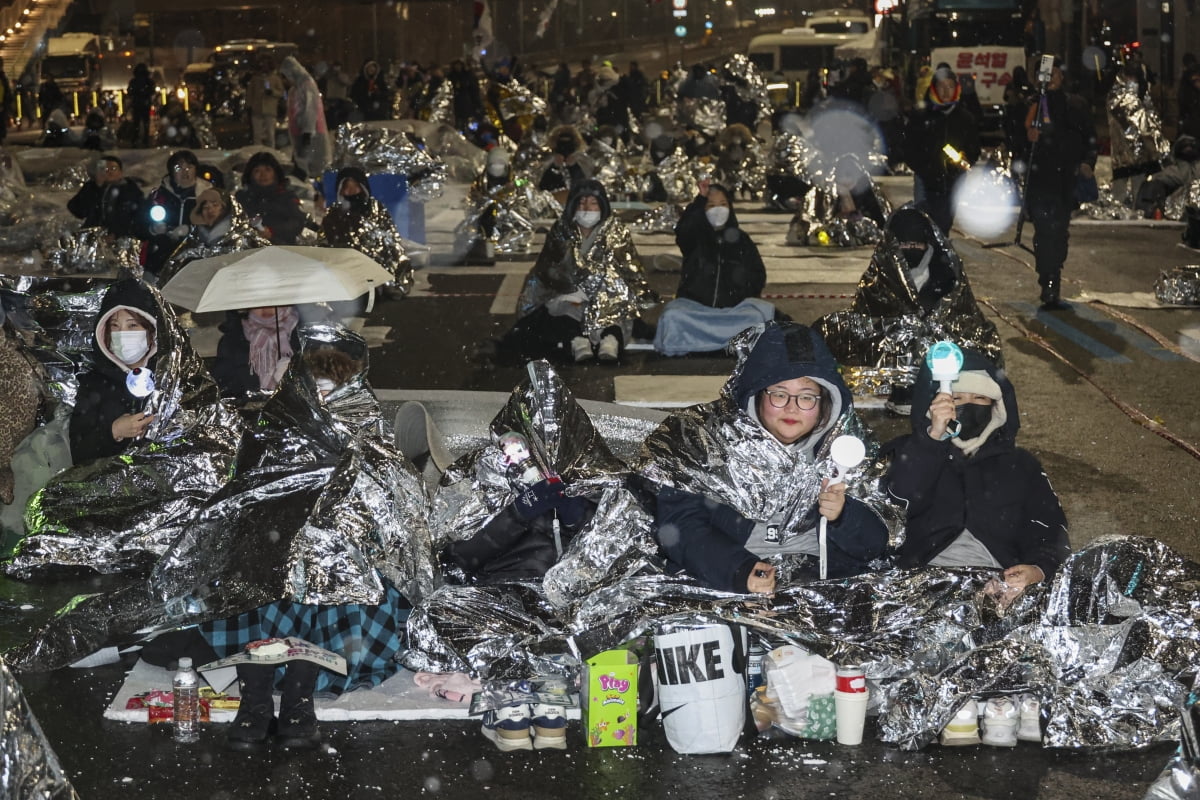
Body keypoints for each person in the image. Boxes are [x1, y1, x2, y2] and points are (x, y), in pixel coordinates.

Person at [640, 322, 896, 594]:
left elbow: (874, 544)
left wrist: (842, 516)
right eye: (779, 394)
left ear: (824, 403)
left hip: (824, 578)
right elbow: (681, 526)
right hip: (731, 576)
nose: (791, 407)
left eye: (807, 397)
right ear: (757, 393)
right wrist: (738, 570)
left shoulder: (847, 452)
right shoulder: (708, 443)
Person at [882, 347, 1070, 594]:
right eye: (957, 399)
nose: (970, 406)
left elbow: (1048, 527)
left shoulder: (1021, 464)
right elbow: (895, 505)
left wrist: (1038, 569)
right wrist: (931, 439)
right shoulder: (902, 451)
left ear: (997, 407)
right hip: (918, 580)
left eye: (980, 399)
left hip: (997, 582)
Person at [814, 204, 1003, 413]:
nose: (911, 249)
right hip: (895, 346)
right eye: (904, 244)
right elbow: (868, 315)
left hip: (940, 346)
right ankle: (903, 384)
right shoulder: (881, 273)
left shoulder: (946, 271)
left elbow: (963, 312)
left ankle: (931, 384)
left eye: (916, 244)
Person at [508, 180, 658, 363]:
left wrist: (617, 289)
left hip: (608, 295)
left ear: (602, 206)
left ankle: (610, 340)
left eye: (593, 203)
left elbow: (630, 268)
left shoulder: (616, 231)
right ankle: (578, 341)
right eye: (582, 203)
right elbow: (548, 268)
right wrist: (569, 287)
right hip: (570, 296)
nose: (587, 209)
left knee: (614, 314)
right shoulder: (561, 231)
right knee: (564, 311)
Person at [653, 180, 772, 356]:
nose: (718, 209)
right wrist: (700, 199)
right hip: (696, 311)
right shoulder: (695, 238)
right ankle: (727, 344)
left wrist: (740, 293)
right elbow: (684, 229)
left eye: (723, 204)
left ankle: (701, 343)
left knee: (756, 318)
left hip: (733, 313)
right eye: (711, 205)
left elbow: (758, 275)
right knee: (672, 317)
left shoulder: (742, 240)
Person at [1025, 62, 1098, 309]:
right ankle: (1048, 279)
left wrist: (1088, 162)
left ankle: (1053, 273)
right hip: (1039, 181)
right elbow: (1015, 141)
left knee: (1058, 233)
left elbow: (1089, 137)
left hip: (1066, 181)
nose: (1049, 78)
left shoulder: (1075, 105)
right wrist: (1027, 138)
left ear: (1061, 76)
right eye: (1043, 73)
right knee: (1044, 232)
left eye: (1053, 73)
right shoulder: (1031, 105)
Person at [69, 281, 161, 466]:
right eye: (115, 326)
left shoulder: (169, 376)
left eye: (133, 325)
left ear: (151, 332)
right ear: (105, 332)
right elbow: (79, 452)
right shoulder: (94, 384)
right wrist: (114, 431)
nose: (122, 334)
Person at [903, 66, 980, 235]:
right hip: (926, 178)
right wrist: (923, 166)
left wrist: (965, 159)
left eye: (950, 86)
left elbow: (974, 146)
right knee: (925, 221)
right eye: (941, 86)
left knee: (945, 221)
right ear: (934, 88)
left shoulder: (965, 117)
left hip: (954, 178)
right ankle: (930, 255)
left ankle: (940, 254)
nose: (946, 91)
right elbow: (909, 145)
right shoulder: (921, 116)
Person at [318, 166, 412, 299]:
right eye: (347, 187)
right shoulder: (334, 214)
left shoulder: (375, 209)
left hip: (375, 258)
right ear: (341, 190)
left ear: (363, 187)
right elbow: (324, 241)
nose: (351, 191)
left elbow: (389, 236)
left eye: (355, 186)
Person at [158, 188, 271, 284]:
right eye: (205, 207)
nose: (210, 210)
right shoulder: (194, 240)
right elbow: (173, 269)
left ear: (225, 209)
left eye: (215, 205)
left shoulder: (244, 236)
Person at [138, 149, 214, 281]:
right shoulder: (159, 194)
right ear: (171, 171)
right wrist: (153, 229)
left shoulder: (207, 195)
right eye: (179, 167)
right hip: (159, 259)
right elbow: (140, 223)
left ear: (196, 169)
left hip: (194, 258)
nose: (185, 171)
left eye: (189, 167)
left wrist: (191, 230)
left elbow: (215, 225)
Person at [210, 306, 302, 398]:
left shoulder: (302, 334)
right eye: (259, 304)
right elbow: (222, 384)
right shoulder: (233, 338)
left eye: (273, 302)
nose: (266, 309)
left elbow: (310, 379)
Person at [235, 151, 308, 245]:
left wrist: (272, 231)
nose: (263, 174)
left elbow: (297, 222)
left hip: (282, 249)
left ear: (275, 173)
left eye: (267, 170)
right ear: (250, 175)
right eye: (257, 171)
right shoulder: (242, 198)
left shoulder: (287, 197)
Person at [66, 155, 144, 238]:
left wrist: (116, 233)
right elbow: (78, 210)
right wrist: (96, 187)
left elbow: (131, 216)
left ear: (121, 173)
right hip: (93, 235)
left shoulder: (130, 190)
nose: (109, 172)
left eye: (113, 169)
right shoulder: (91, 187)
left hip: (121, 238)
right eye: (105, 169)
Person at [279, 56, 331, 180]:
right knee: (303, 163)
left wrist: (308, 131)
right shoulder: (295, 89)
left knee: (314, 165)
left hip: (311, 132)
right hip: (301, 131)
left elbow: (310, 109)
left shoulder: (307, 85)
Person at [537, 125, 592, 203]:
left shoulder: (582, 159)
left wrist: (575, 166)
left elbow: (586, 183)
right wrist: (553, 165)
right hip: (551, 198)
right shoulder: (546, 158)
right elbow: (541, 184)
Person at [244, 56, 284, 148]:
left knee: (270, 134)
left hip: (270, 110)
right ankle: (258, 152)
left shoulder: (275, 79)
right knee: (257, 135)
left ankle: (271, 151)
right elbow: (250, 94)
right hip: (257, 110)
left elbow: (281, 93)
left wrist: (272, 92)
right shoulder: (255, 79)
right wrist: (248, 107)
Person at [126, 63, 157, 148]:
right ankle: (144, 139)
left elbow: (129, 91)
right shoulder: (148, 81)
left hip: (138, 104)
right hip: (144, 104)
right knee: (144, 122)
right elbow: (152, 91)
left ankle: (136, 139)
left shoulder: (135, 81)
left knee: (137, 122)